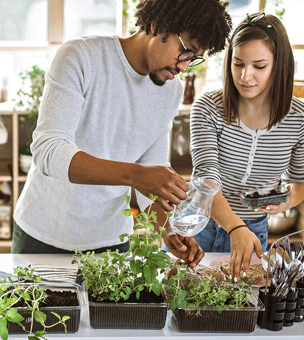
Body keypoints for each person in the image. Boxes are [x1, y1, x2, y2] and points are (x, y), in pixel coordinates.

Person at [12, 0, 233, 265]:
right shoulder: (80, 56)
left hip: (112, 243)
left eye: (193, 59)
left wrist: (167, 229)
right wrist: (137, 176)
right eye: (186, 52)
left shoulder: (170, 90)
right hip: (43, 235)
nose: (184, 67)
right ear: (157, 25)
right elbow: (49, 151)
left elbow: (151, 170)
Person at [189, 13, 304, 279]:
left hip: (254, 231)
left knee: (240, 310)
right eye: (238, 64)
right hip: (202, 226)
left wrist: (285, 202)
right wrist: (235, 228)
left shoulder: (302, 118)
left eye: (259, 66)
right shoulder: (207, 108)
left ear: (279, 65)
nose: (245, 76)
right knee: (193, 307)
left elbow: (301, 180)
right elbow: (206, 178)